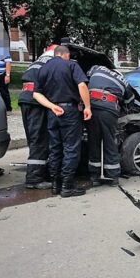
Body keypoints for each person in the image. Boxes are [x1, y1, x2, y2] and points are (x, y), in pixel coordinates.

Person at [33, 46, 91, 198]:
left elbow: (36, 94)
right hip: (70, 111)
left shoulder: (43, 68)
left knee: (55, 148)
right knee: (71, 148)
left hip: (52, 112)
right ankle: (67, 186)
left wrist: (52, 107)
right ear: (66, 55)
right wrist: (88, 107)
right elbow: (82, 85)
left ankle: (55, 185)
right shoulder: (71, 64)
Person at [86, 65, 134, 186]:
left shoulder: (95, 68)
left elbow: (84, 81)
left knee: (93, 141)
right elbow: (129, 103)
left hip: (91, 106)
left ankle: (94, 176)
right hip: (109, 109)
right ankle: (113, 177)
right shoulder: (124, 81)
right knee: (110, 142)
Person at [19, 50, 55, 189]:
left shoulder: (37, 62)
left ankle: (39, 172)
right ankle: (34, 179)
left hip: (25, 99)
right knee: (39, 139)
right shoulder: (52, 64)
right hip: (36, 102)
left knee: (33, 138)